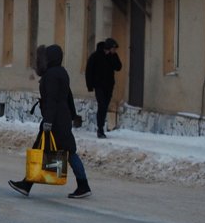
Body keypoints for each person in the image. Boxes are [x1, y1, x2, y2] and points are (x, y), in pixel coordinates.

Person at [10, 44, 92, 199]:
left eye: (46, 57)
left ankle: (83, 185)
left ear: (50, 58)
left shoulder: (51, 75)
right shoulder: (62, 72)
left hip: (55, 120)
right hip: (62, 118)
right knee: (60, 150)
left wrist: (48, 121)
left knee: (61, 151)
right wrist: (72, 114)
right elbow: (68, 95)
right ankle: (27, 184)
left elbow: (52, 100)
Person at [85, 37, 122, 138]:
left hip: (109, 86)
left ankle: (101, 128)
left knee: (105, 106)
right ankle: (100, 129)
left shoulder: (113, 56)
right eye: (114, 48)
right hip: (98, 86)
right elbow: (89, 71)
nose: (115, 51)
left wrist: (113, 57)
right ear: (109, 47)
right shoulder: (95, 56)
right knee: (102, 105)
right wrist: (90, 85)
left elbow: (118, 67)